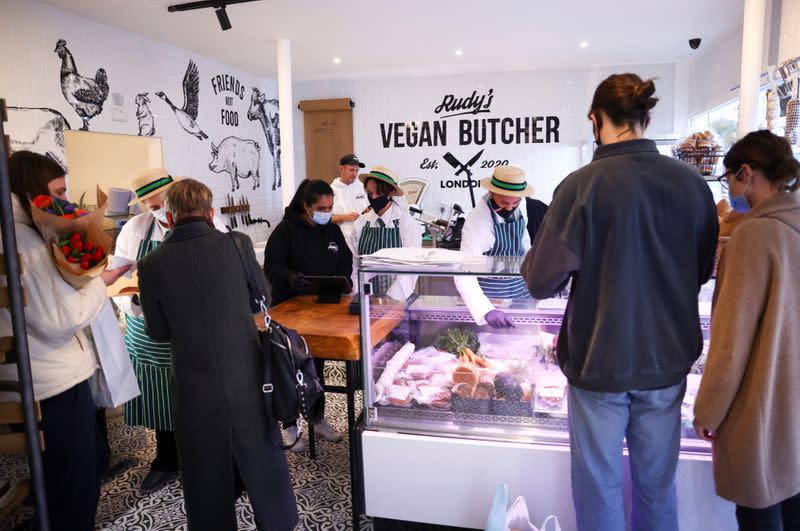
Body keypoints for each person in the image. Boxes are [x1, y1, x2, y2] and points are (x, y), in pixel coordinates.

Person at [522, 74, 718, 531]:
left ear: (595, 120)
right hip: (667, 362)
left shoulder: (580, 187)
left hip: (599, 365)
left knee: (599, 487)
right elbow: (702, 270)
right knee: (657, 486)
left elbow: (539, 280)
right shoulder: (693, 186)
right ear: (647, 119)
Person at [137, 179, 297, 531]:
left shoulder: (150, 265)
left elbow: (159, 332)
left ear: (169, 214)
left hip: (194, 381)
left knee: (203, 465)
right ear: (210, 212)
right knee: (262, 455)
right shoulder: (237, 245)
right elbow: (264, 299)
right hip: (248, 372)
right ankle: (279, 521)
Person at [0, 150, 130, 531]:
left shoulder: (14, 234)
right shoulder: (23, 243)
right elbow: (59, 319)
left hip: (31, 380)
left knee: (60, 477)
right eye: (57, 191)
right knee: (73, 483)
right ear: (33, 191)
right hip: (52, 382)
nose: (63, 201)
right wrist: (95, 283)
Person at [693, 131, 800, 531]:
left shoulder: (752, 237)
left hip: (761, 404)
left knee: (759, 513)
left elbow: (731, 344)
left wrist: (708, 411)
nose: (732, 191)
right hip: (794, 408)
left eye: (730, 181)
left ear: (747, 172)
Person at [264, 179, 352, 451]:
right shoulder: (285, 231)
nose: (327, 211)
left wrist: (342, 280)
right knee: (288, 368)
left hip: (324, 310)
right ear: (306, 206)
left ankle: (317, 418)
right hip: (289, 310)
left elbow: (345, 261)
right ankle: (290, 425)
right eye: (321, 207)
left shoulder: (333, 231)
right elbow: (272, 267)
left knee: (317, 369)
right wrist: (292, 278)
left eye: (330, 206)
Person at [111, 167, 181, 492]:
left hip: (191, 330)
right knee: (161, 398)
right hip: (150, 331)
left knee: (197, 395)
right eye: (154, 206)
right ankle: (165, 458)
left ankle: (203, 456)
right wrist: (137, 304)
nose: (161, 209)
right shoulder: (134, 231)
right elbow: (120, 279)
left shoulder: (204, 223)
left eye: (165, 200)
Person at [454, 166, 535, 328]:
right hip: (492, 300)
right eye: (504, 202)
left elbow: (525, 247)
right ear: (492, 193)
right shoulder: (477, 222)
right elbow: (464, 271)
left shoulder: (520, 204)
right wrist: (485, 310)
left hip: (521, 294)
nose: (510, 208)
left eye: (515, 202)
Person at [350, 166, 421, 298]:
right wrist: (359, 295)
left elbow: (410, 269)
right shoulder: (360, 223)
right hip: (365, 297)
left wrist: (391, 300)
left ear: (391, 193)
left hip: (398, 300)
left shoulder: (407, 224)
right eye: (370, 194)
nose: (374, 197)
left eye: (379, 194)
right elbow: (354, 266)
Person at [331, 153, 369, 253]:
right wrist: (344, 217)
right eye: (351, 170)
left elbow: (370, 208)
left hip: (364, 240)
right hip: (342, 241)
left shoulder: (362, 187)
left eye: (357, 171)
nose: (354, 174)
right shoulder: (331, 190)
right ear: (341, 168)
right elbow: (325, 219)